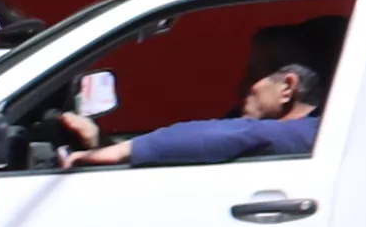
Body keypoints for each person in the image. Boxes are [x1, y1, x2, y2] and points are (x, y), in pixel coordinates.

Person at [77, 59, 319, 168]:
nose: (240, 87)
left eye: (254, 74)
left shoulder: (311, 133)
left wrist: (121, 151)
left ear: (287, 88)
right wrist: (99, 144)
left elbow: (234, 135)